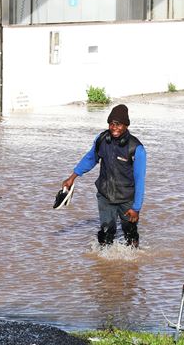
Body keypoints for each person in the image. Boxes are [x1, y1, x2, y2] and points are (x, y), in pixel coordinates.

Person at [62, 104, 147, 247]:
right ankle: (104, 266)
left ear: (126, 125)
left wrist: (136, 208)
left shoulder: (136, 148)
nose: (114, 128)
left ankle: (133, 266)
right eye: (111, 124)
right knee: (106, 232)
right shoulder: (101, 139)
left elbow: (140, 180)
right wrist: (72, 177)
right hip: (105, 195)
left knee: (130, 234)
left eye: (118, 124)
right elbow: (90, 159)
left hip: (127, 198)